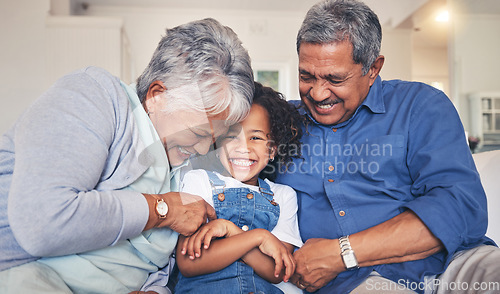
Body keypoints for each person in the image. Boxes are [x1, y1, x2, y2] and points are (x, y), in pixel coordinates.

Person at [0, 18, 254, 293]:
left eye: (214, 140)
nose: (204, 149)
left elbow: (162, 270)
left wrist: (156, 291)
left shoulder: (181, 168)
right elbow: (42, 223)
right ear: (158, 96)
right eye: (198, 133)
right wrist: (163, 209)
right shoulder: (96, 95)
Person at [274, 0, 500, 293]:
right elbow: (227, 169)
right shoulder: (279, 124)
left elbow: (459, 207)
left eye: (335, 78)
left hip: (454, 263)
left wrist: (342, 253)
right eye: (306, 76)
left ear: (373, 68)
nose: (317, 93)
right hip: (357, 283)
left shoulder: (421, 105)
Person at [174, 82, 304, 294]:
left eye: (255, 137)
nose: (243, 147)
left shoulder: (282, 196)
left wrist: (228, 229)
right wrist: (259, 237)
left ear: (272, 150)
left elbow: (277, 271)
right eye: (232, 136)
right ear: (217, 146)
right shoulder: (197, 181)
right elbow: (189, 263)